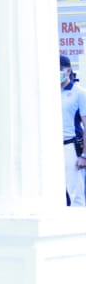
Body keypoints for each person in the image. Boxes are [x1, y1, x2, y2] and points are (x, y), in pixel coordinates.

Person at [62, 55, 86, 207]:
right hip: (50, 147)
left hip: (71, 147)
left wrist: (84, 155)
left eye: (60, 69)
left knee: (76, 193)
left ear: (68, 70)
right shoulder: (48, 92)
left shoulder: (79, 93)